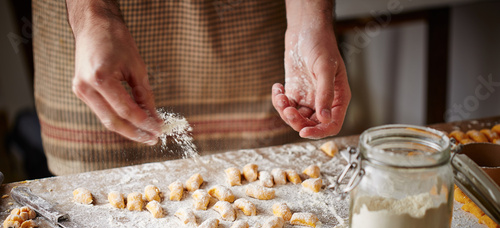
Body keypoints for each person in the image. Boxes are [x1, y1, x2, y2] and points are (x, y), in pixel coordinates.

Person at [33, 0, 350, 175]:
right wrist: (93, 16)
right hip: (92, 32)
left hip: (239, 26)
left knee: (267, 175)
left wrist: (309, 21)